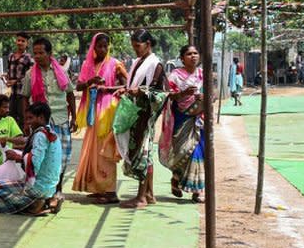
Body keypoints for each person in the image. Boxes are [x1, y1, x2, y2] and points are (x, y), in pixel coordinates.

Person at [19, 37, 77, 211]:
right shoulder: (30, 74)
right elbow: (24, 97)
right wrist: (26, 121)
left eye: (41, 53)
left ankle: (57, 191)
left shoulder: (60, 71)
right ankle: (47, 193)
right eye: (35, 53)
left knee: (62, 157)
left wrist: (74, 117)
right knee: (42, 158)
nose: (37, 56)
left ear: (49, 53)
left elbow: (70, 94)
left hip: (60, 119)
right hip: (41, 123)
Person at [72, 33, 128, 205]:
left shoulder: (115, 64)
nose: (102, 49)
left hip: (108, 111)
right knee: (93, 150)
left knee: (106, 150)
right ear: (94, 47)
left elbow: (127, 85)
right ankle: (97, 188)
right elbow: (78, 86)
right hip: (92, 111)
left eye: (105, 46)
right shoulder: (88, 64)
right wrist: (90, 81)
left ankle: (110, 191)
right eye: (99, 46)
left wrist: (108, 88)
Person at [115, 29, 167, 209]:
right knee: (143, 153)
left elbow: (161, 93)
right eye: (134, 46)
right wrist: (126, 89)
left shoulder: (156, 64)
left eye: (138, 46)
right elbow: (133, 84)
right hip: (135, 112)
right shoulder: (138, 62)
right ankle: (149, 194)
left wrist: (141, 91)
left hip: (145, 114)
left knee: (143, 153)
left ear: (148, 44)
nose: (135, 50)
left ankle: (141, 197)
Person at [0, 103, 62, 216]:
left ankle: (33, 205)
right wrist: (7, 139)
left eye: (30, 118)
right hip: (50, 186)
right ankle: (48, 200)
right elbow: (25, 140)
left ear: (41, 117)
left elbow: (34, 162)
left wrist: (17, 157)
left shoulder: (40, 135)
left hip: (39, 187)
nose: (27, 122)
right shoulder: (49, 132)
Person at [160, 44, 206, 203]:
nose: (193, 56)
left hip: (199, 119)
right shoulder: (175, 75)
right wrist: (183, 94)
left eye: (195, 53)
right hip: (182, 118)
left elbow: (211, 95)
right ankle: (176, 178)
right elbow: (169, 96)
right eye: (189, 54)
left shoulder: (202, 74)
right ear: (182, 58)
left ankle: (197, 191)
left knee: (197, 152)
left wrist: (203, 98)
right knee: (183, 151)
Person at [4, 32, 34, 124]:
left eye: (23, 41)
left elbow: (31, 76)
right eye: (18, 40)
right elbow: (10, 72)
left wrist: (16, 81)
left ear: (27, 43)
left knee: (23, 117)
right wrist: (6, 77)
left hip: (23, 94)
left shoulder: (29, 58)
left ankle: (24, 137)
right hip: (13, 93)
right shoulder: (11, 57)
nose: (20, 43)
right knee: (11, 116)